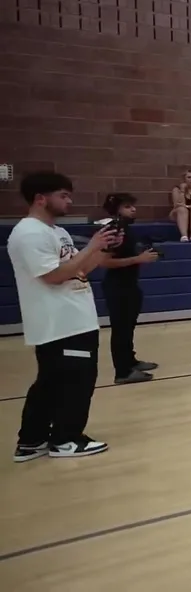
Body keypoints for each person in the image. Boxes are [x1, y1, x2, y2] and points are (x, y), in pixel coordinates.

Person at [10, 172, 120, 462]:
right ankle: (66, 439)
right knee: (75, 383)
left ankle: (32, 441)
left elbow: (78, 271)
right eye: (63, 195)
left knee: (50, 383)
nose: (69, 201)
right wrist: (91, 246)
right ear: (40, 198)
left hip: (73, 318)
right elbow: (54, 276)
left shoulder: (57, 232)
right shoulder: (29, 233)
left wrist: (102, 249)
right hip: (60, 322)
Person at [98, 193, 161, 384]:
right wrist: (138, 259)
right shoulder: (113, 230)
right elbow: (104, 262)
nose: (133, 209)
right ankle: (122, 372)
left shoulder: (126, 229)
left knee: (128, 327)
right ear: (116, 210)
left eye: (132, 206)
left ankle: (130, 360)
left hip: (130, 284)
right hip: (117, 286)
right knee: (120, 329)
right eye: (127, 206)